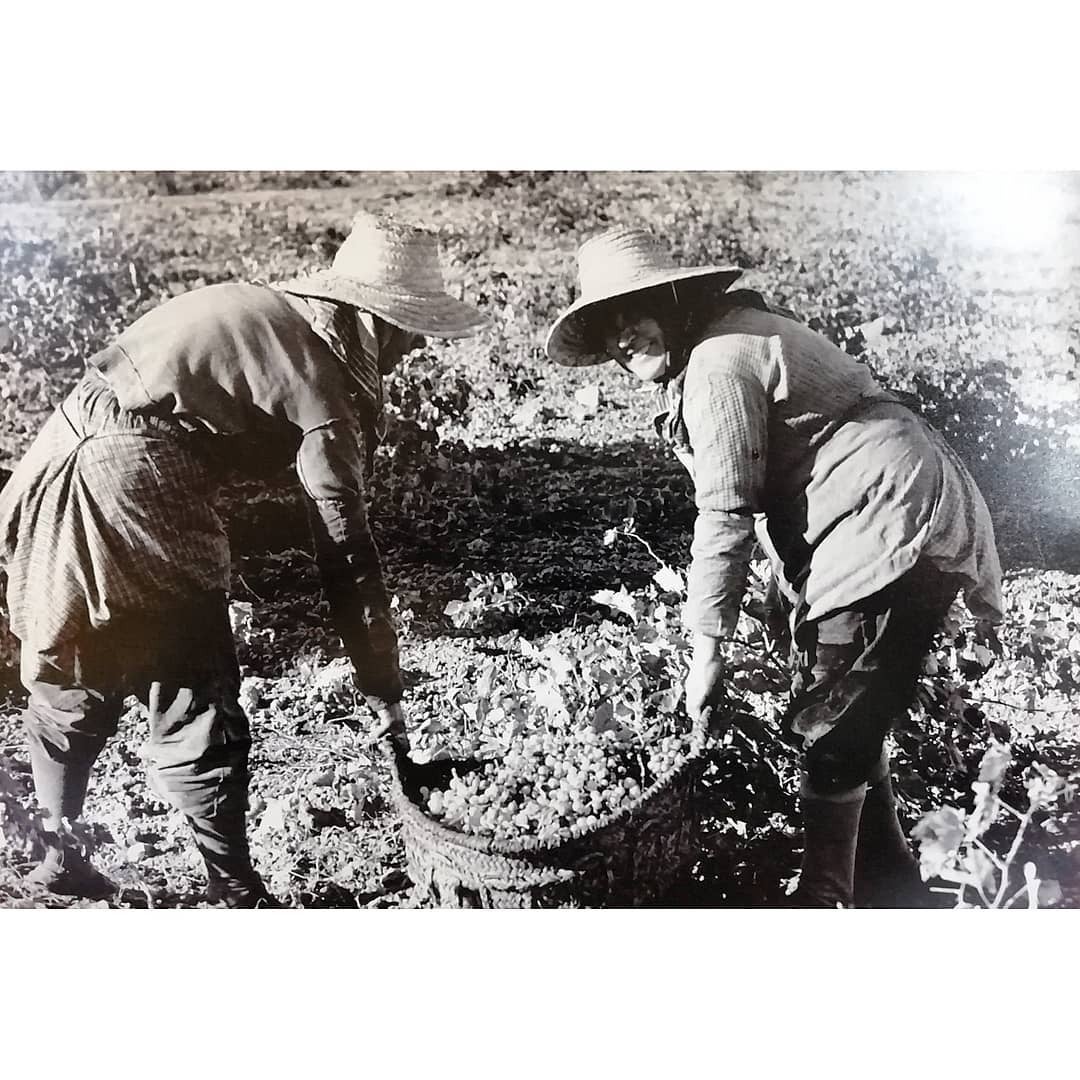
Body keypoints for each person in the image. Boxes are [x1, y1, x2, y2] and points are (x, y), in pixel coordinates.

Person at [0, 212, 486, 907]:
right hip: (128, 469)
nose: (410, 353)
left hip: (53, 453)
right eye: (410, 336)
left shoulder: (264, 308)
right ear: (379, 323)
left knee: (78, 662)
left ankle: (55, 854)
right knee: (191, 674)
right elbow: (346, 552)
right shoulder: (324, 388)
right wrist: (383, 688)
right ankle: (235, 888)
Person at [545, 225, 1003, 908]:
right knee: (845, 710)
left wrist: (707, 652)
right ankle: (891, 889)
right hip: (878, 512)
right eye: (606, 324)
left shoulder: (717, 363)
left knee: (834, 721)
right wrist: (790, 594)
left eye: (630, 313)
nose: (621, 337)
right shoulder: (715, 347)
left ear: (672, 299)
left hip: (889, 515)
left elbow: (725, 510)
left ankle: (823, 902)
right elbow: (770, 495)